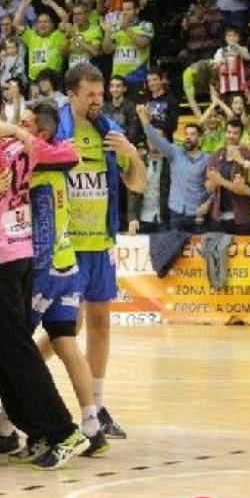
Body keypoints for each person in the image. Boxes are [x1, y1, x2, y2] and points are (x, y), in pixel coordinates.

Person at [0, 76, 94, 469]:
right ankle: (31, 429)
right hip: (21, 252)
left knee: (14, 349)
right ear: (2, 108)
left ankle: (63, 431)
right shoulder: (23, 144)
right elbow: (66, 153)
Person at [61, 63, 146, 442]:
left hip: (101, 244)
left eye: (101, 94)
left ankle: (97, 406)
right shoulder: (58, 130)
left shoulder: (109, 131)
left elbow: (138, 184)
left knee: (99, 324)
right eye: (90, 95)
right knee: (64, 329)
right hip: (66, 245)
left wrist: (131, 154)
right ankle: (6, 388)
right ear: (72, 95)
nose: (98, 100)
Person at [138, 107, 211, 233]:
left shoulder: (208, 159)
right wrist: (145, 120)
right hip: (176, 213)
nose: (188, 137)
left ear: (200, 138)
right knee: (175, 245)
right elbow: (155, 139)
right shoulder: (175, 152)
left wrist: (208, 203)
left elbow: (214, 188)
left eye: (192, 134)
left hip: (197, 214)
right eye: (186, 134)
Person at [204, 120, 250, 235]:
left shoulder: (248, 156)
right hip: (218, 217)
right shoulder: (216, 154)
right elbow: (209, 187)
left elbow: (244, 189)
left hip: (241, 218)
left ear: (241, 135)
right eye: (229, 132)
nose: (231, 136)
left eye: (235, 133)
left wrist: (220, 181)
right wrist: (213, 182)